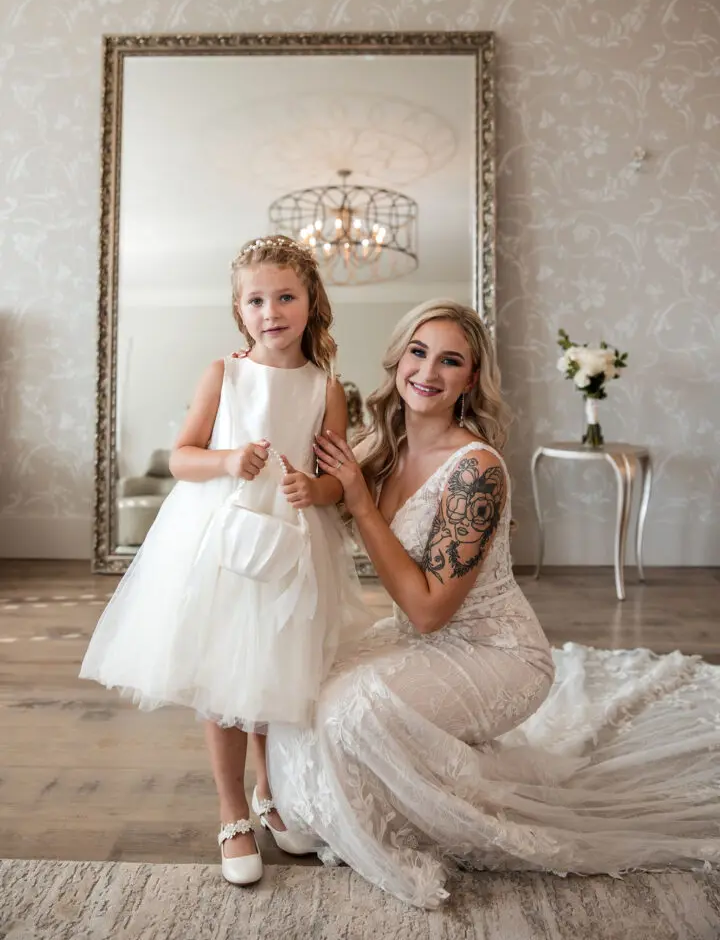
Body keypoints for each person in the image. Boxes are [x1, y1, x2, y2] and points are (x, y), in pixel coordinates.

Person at [266, 299, 720, 909]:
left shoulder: (475, 470)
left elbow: (430, 611)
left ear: (470, 379)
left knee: (351, 712)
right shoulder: (381, 447)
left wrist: (361, 500)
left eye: (450, 360)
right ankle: (305, 809)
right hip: (417, 641)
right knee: (303, 690)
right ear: (399, 359)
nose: (428, 371)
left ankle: (397, 810)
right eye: (418, 352)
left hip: (496, 653)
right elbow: (313, 496)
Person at [80, 234, 369, 886]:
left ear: (310, 301)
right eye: (257, 300)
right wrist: (227, 461)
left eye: (285, 296)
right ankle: (232, 808)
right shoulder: (225, 375)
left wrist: (313, 489)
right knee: (225, 672)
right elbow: (183, 455)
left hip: (292, 543)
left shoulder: (327, 389)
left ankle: (272, 789)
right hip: (219, 539)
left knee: (273, 666)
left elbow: (337, 482)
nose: (272, 311)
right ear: (240, 310)